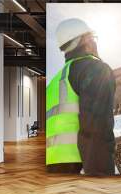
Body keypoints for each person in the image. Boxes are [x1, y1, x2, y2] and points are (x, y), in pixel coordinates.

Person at [46, 18, 116, 176]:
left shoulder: (55, 81)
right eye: (93, 37)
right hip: (80, 166)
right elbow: (96, 130)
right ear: (86, 39)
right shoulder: (95, 69)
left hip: (51, 165)